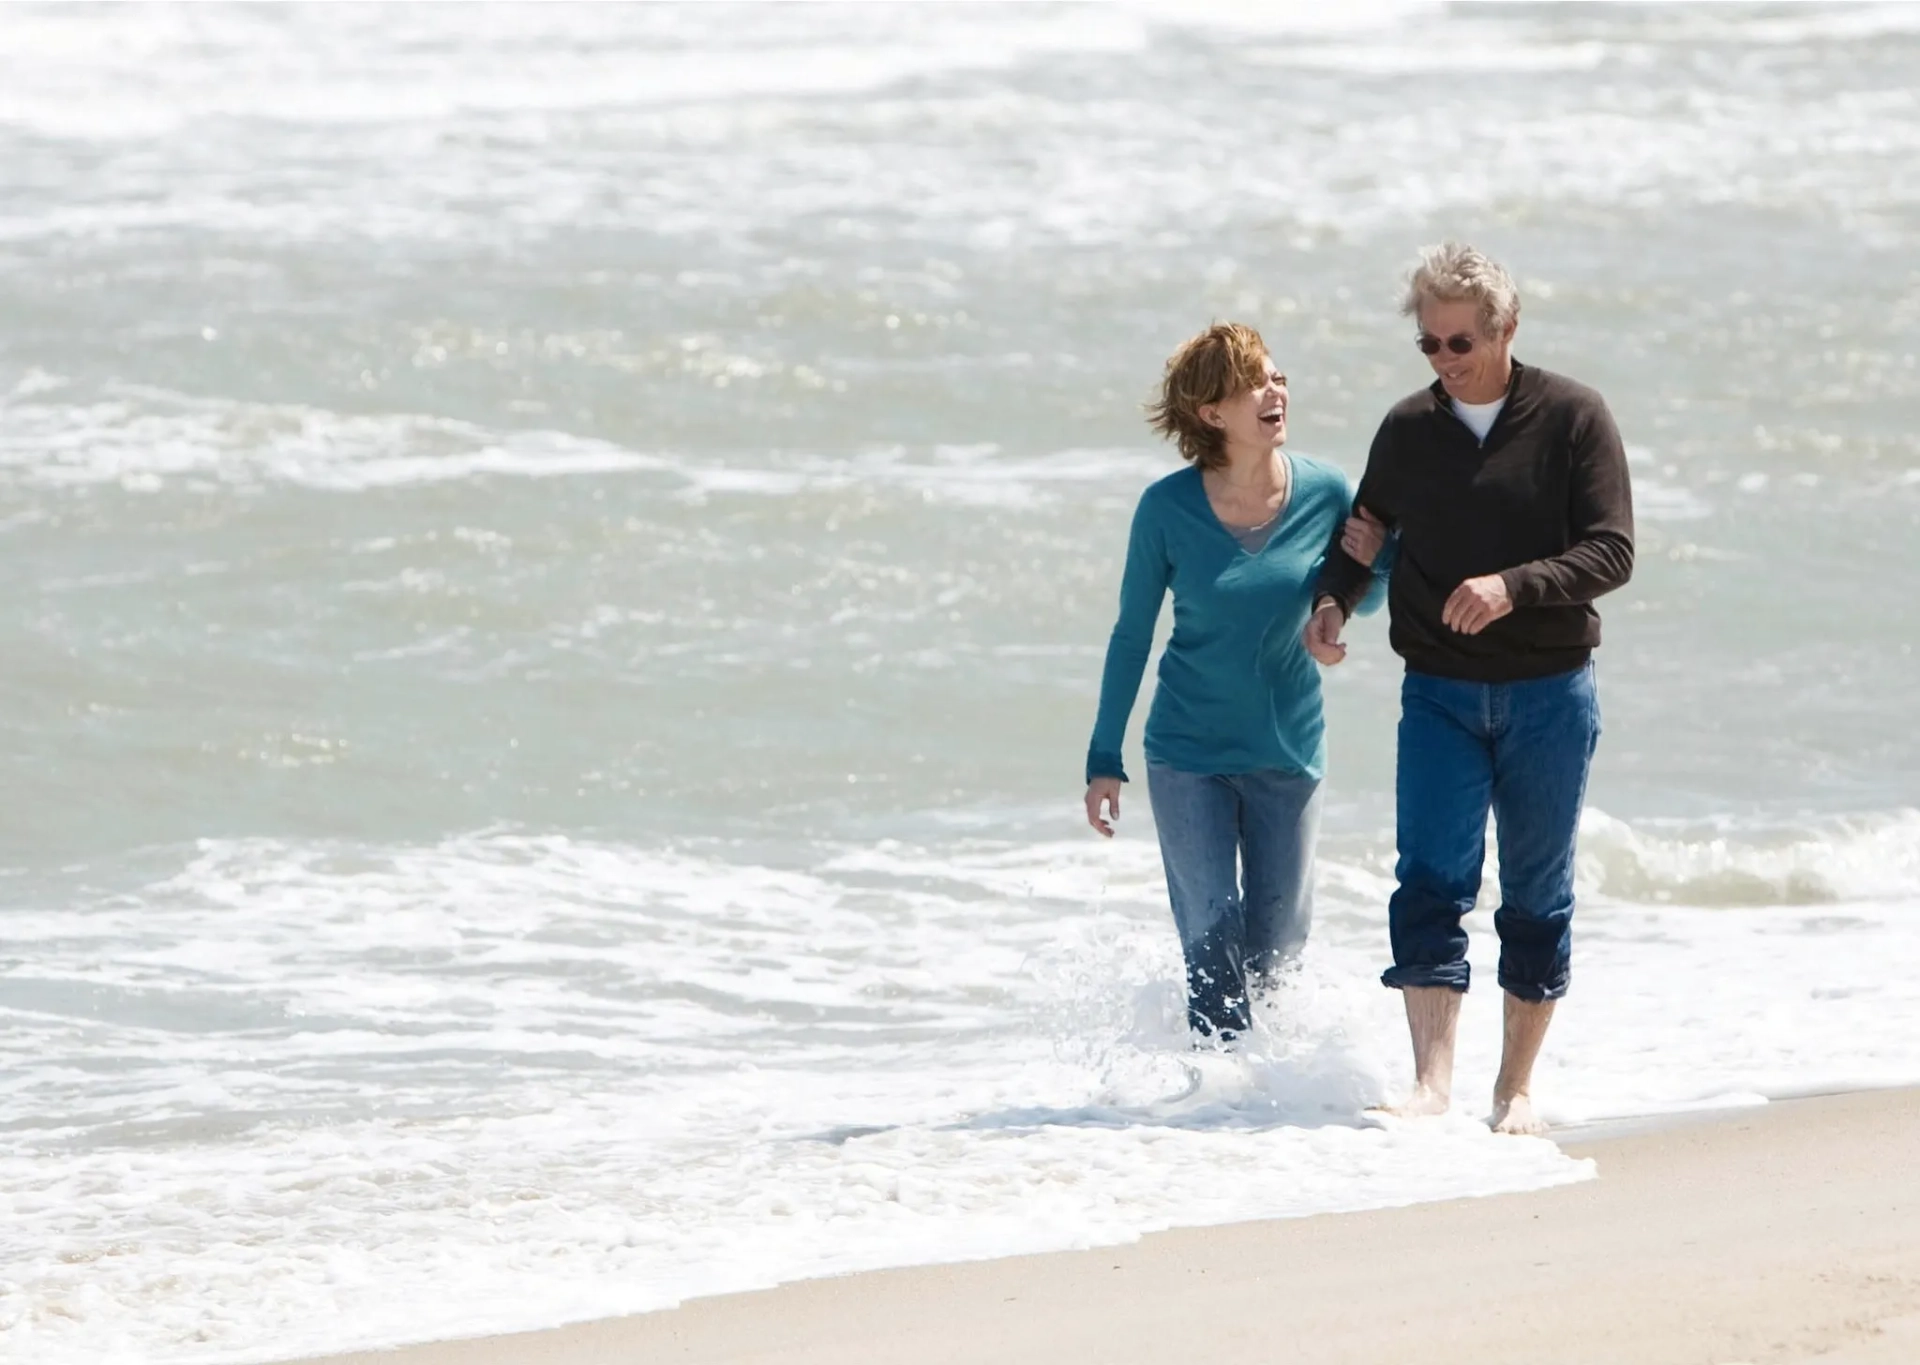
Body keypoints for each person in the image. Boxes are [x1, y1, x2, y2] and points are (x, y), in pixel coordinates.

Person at [1305, 242, 1634, 1134]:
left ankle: (1515, 1088)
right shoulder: (1410, 428)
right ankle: (1430, 1083)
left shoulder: (1574, 417)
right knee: (1429, 881)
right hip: (1439, 693)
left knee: (1536, 892)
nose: (1445, 362)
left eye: (1460, 344)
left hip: (1549, 692)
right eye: (1430, 345)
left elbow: (1612, 551)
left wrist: (1511, 586)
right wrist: (1332, 600)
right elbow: (1368, 524)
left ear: (1505, 328)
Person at [1085, 322, 1389, 1042]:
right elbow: (1132, 634)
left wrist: (1369, 565)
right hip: (1188, 753)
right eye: (1255, 382)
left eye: (1278, 376)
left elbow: (1364, 595)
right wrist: (1104, 757)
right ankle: (1213, 1108)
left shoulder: (1323, 490)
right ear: (1211, 413)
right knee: (1214, 948)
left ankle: (1264, 1114)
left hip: (1288, 751)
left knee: (1277, 951)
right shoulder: (1166, 509)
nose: (1275, 390)